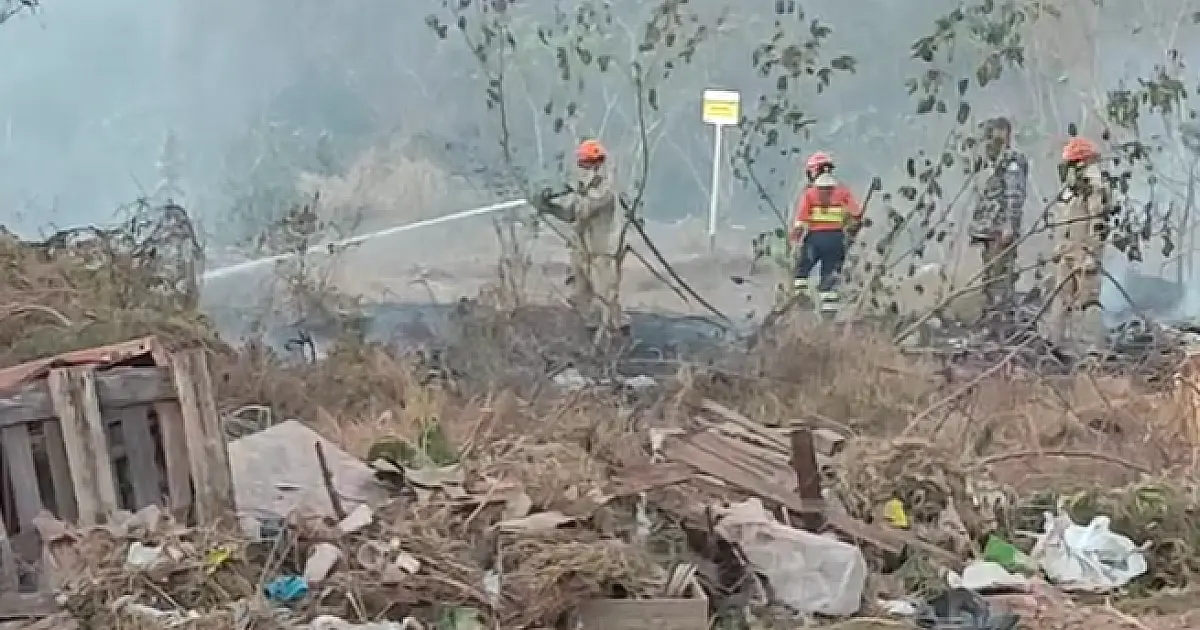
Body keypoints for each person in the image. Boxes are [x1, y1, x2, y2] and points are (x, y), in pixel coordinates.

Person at [531, 139, 625, 336]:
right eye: (581, 163)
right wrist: (549, 206)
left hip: (601, 254)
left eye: (585, 164)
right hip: (581, 251)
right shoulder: (585, 188)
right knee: (580, 296)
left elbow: (583, 211)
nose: (581, 168)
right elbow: (570, 214)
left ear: (596, 164)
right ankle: (588, 336)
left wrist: (572, 191)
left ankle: (618, 336)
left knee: (606, 298)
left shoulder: (604, 189)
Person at [1047, 135, 1109, 350]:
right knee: (1061, 297)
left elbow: (1098, 221)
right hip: (1068, 250)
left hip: (1084, 251)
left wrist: (1092, 253)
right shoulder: (1072, 186)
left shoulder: (1094, 184)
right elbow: (1066, 218)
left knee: (1088, 300)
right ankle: (1054, 345)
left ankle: (1093, 350)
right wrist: (1060, 247)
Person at [969, 116, 1029, 317]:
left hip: (1001, 229)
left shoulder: (1011, 162)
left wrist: (1009, 225)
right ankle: (990, 316)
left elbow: (1015, 195)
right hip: (988, 229)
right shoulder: (989, 163)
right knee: (989, 276)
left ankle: (1002, 319)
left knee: (1001, 277)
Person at [791, 152, 862, 313]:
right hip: (837, 240)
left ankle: (801, 304)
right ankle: (828, 316)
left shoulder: (809, 194)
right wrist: (851, 232)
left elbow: (801, 220)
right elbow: (857, 215)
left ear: (815, 170)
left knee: (801, 272)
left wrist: (795, 238)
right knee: (830, 279)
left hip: (815, 240)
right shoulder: (843, 192)